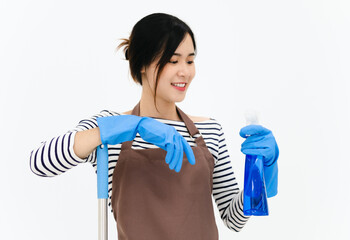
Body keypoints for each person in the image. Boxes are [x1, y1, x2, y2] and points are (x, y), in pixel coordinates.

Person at [29, 13, 279, 240]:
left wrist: (261, 172)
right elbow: (40, 162)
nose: (185, 72)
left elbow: (233, 219)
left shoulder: (209, 131)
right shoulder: (111, 127)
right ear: (142, 64)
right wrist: (127, 126)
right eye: (173, 60)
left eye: (190, 61)